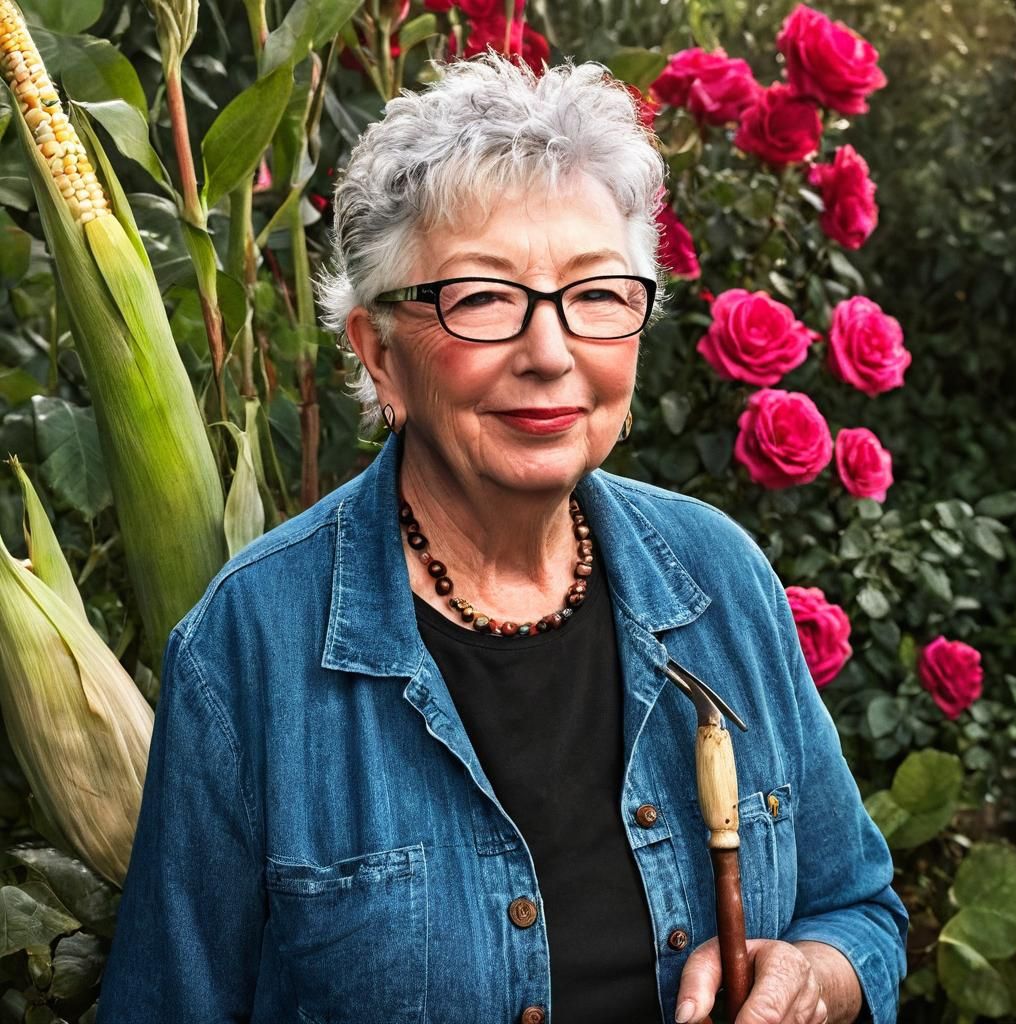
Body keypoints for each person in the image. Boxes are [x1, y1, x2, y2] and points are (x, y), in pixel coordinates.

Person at [97, 53, 907, 1024]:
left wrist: (818, 974)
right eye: (482, 298)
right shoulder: (250, 645)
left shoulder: (717, 574)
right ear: (378, 354)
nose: (551, 352)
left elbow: (856, 903)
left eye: (598, 293)